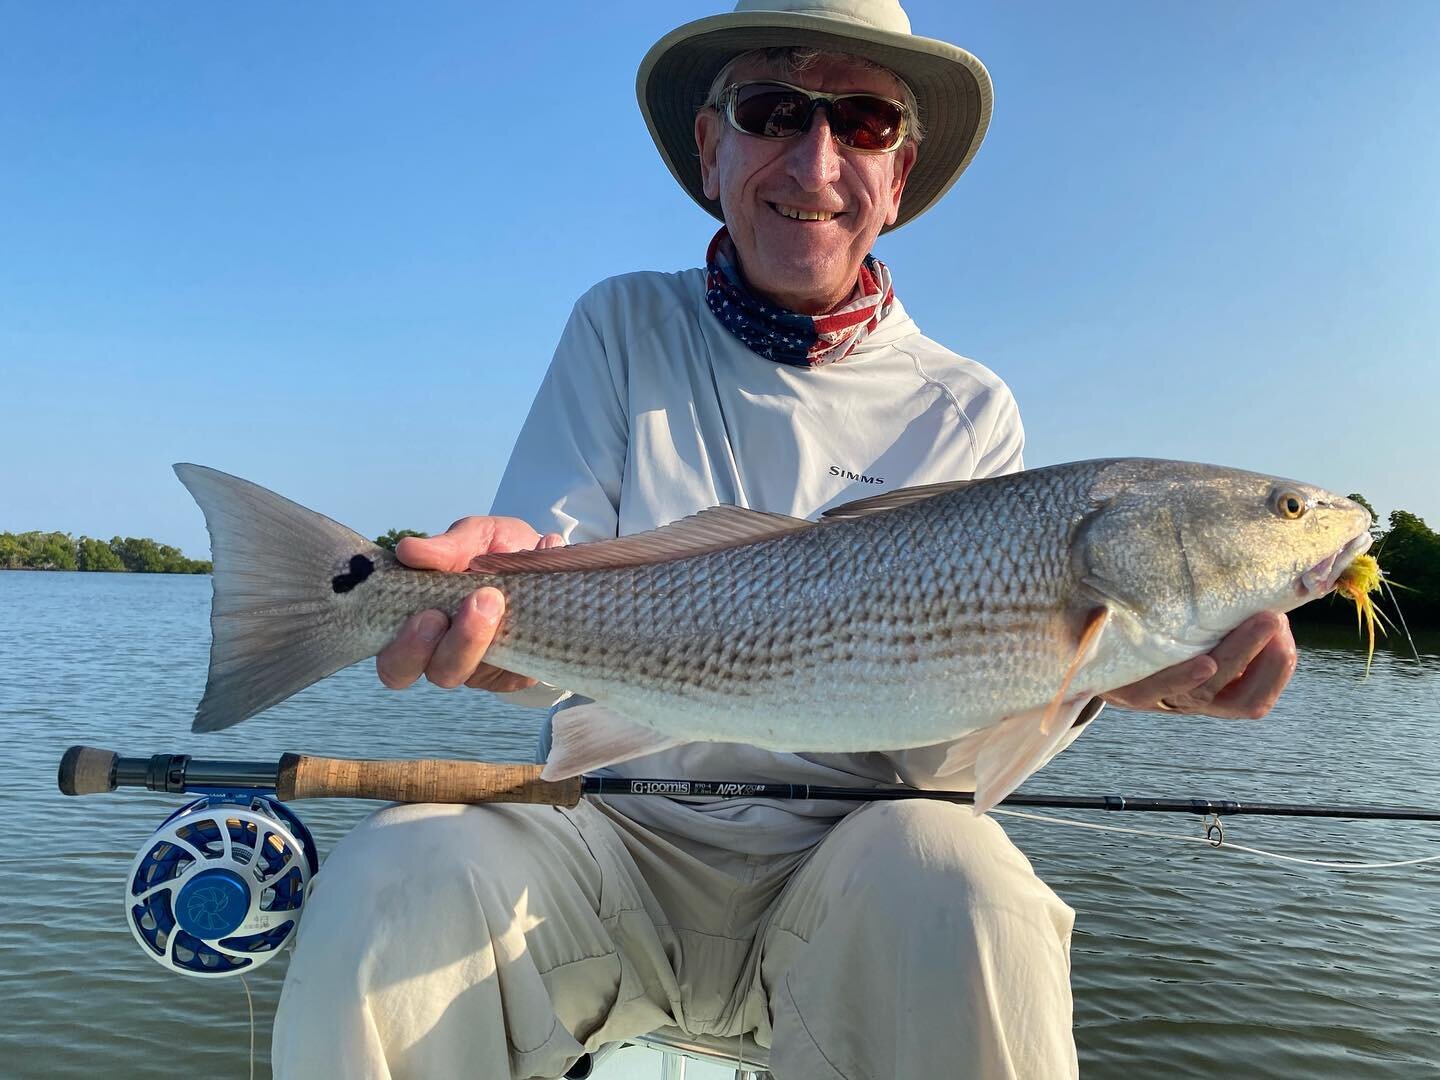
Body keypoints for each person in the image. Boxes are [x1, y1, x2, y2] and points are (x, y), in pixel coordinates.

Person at [272, 1, 1297, 1076]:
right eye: (772, 110)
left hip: (848, 871)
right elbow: (545, 584)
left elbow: (946, 750)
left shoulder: (968, 407)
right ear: (713, 148)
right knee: (396, 876)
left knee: (977, 889)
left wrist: (1110, 680)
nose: (816, 162)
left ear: (899, 176)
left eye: (862, 121)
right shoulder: (622, 325)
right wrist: (488, 605)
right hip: (607, 833)